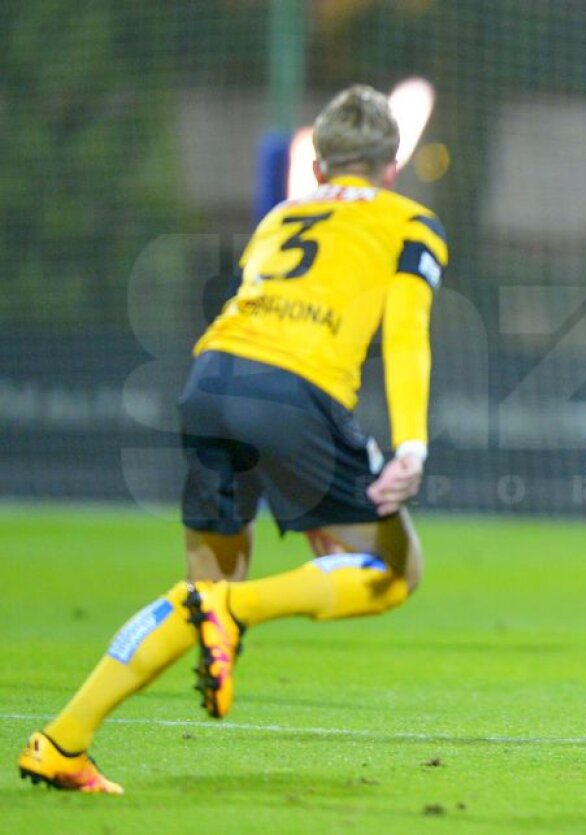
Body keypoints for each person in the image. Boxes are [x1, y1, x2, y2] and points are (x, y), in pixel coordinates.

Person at [17, 84, 448, 794]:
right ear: (392, 169)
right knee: (396, 570)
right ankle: (233, 610)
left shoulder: (282, 215)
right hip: (297, 391)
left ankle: (63, 739)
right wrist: (412, 444)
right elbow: (406, 335)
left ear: (318, 166)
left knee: (201, 586)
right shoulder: (412, 223)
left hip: (209, 379)